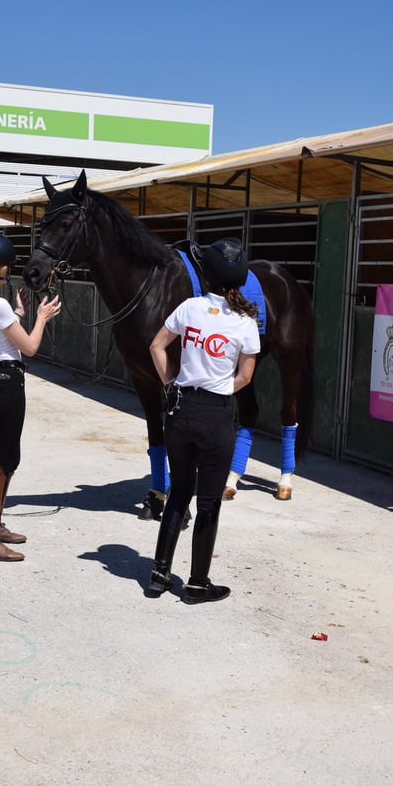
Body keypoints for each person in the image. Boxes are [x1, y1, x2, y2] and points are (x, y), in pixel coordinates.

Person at [147, 238, 261, 604]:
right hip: (216, 413)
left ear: (206, 275)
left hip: (180, 410)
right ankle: (197, 584)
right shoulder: (246, 321)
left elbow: (156, 346)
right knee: (209, 502)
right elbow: (245, 376)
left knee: (179, 493)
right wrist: (221, 388)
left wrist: (171, 383)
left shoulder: (190, 307)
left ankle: (158, 575)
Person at [0, 231, 61, 562]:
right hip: (6, 385)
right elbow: (29, 347)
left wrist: (18, 312)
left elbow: (3, 337)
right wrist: (42, 318)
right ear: (0, 268)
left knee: (9, 460)